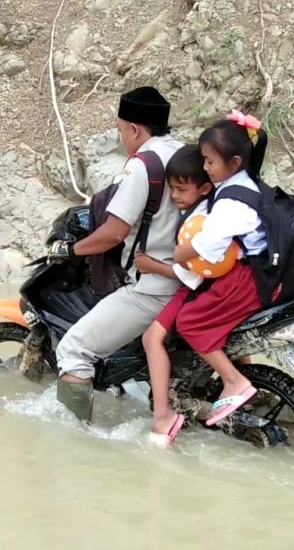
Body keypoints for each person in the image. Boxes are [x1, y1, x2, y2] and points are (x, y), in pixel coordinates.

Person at [46, 87, 183, 422]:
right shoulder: (184, 152)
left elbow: (113, 233)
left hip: (153, 288)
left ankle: (75, 444)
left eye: (122, 131)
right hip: (189, 281)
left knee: (74, 349)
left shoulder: (143, 165)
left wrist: (71, 248)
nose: (123, 139)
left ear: (135, 129)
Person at [170, 110, 269, 427]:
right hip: (260, 272)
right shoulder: (249, 185)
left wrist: (178, 253)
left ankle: (233, 381)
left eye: (210, 162)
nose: (205, 168)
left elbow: (205, 246)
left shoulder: (231, 202)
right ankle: (247, 375)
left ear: (235, 163)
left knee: (190, 322)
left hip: (246, 278)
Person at [132, 145, 214, 444]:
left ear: (204, 187)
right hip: (221, 287)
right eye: (171, 188)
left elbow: (191, 276)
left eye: (181, 188)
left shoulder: (197, 222)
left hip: (196, 290)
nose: (175, 195)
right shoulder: (213, 208)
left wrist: (151, 265)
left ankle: (162, 415)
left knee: (151, 338)